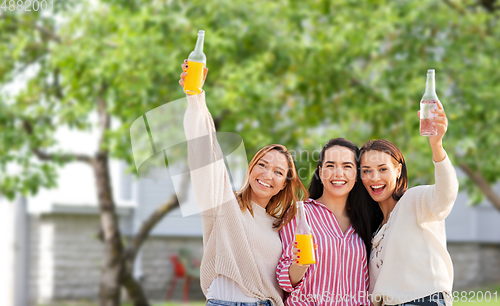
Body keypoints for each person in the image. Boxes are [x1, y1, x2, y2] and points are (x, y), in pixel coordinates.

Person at [180, 60, 308, 306]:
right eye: (262, 164)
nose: (267, 174)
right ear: (251, 168)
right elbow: (207, 154)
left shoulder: (279, 225)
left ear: (284, 184)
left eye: (278, 172)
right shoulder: (223, 204)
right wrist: (195, 98)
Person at [359, 102, 458, 306]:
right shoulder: (375, 229)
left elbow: (445, 197)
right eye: (366, 170)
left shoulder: (414, 200)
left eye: (382, 169)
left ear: (398, 170)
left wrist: (436, 146)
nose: (374, 177)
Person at [276, 138, 375, 306]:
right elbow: (284, 280)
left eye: (347, 166)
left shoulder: (365, 220)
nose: (338, 173)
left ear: (357, 175)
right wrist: (300, 264)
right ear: (320, 172)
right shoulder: (300, 214)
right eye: (330, 166)